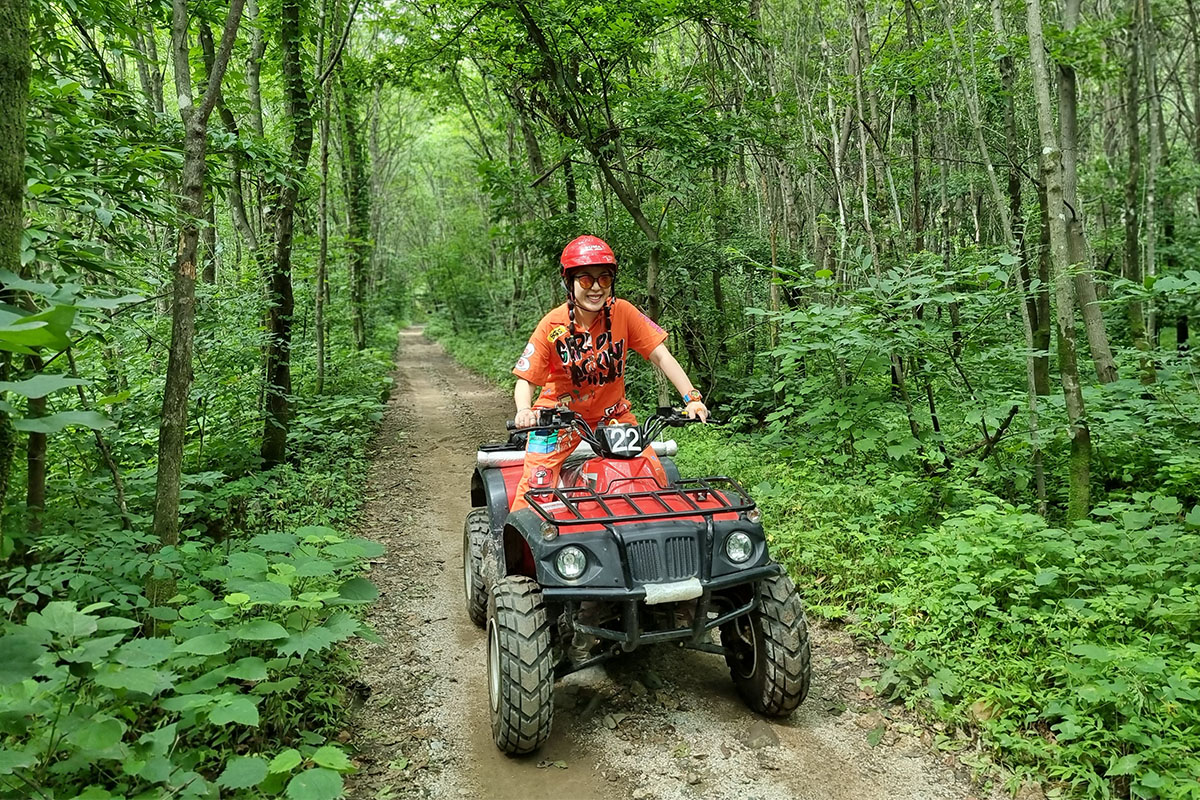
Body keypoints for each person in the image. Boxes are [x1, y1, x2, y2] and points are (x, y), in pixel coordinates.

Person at [509, 234, 709, 511]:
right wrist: (524, 411)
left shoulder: (623, 312)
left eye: (603, 279)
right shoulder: (551, 324)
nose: (595, 288)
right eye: (585, 280)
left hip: (612, 416)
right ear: (569, 282)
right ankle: (512, 550)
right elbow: (525, 379)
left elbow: (661, 356)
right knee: (535, 488)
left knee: (650, 477)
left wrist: (692, 398)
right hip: (557, 419)